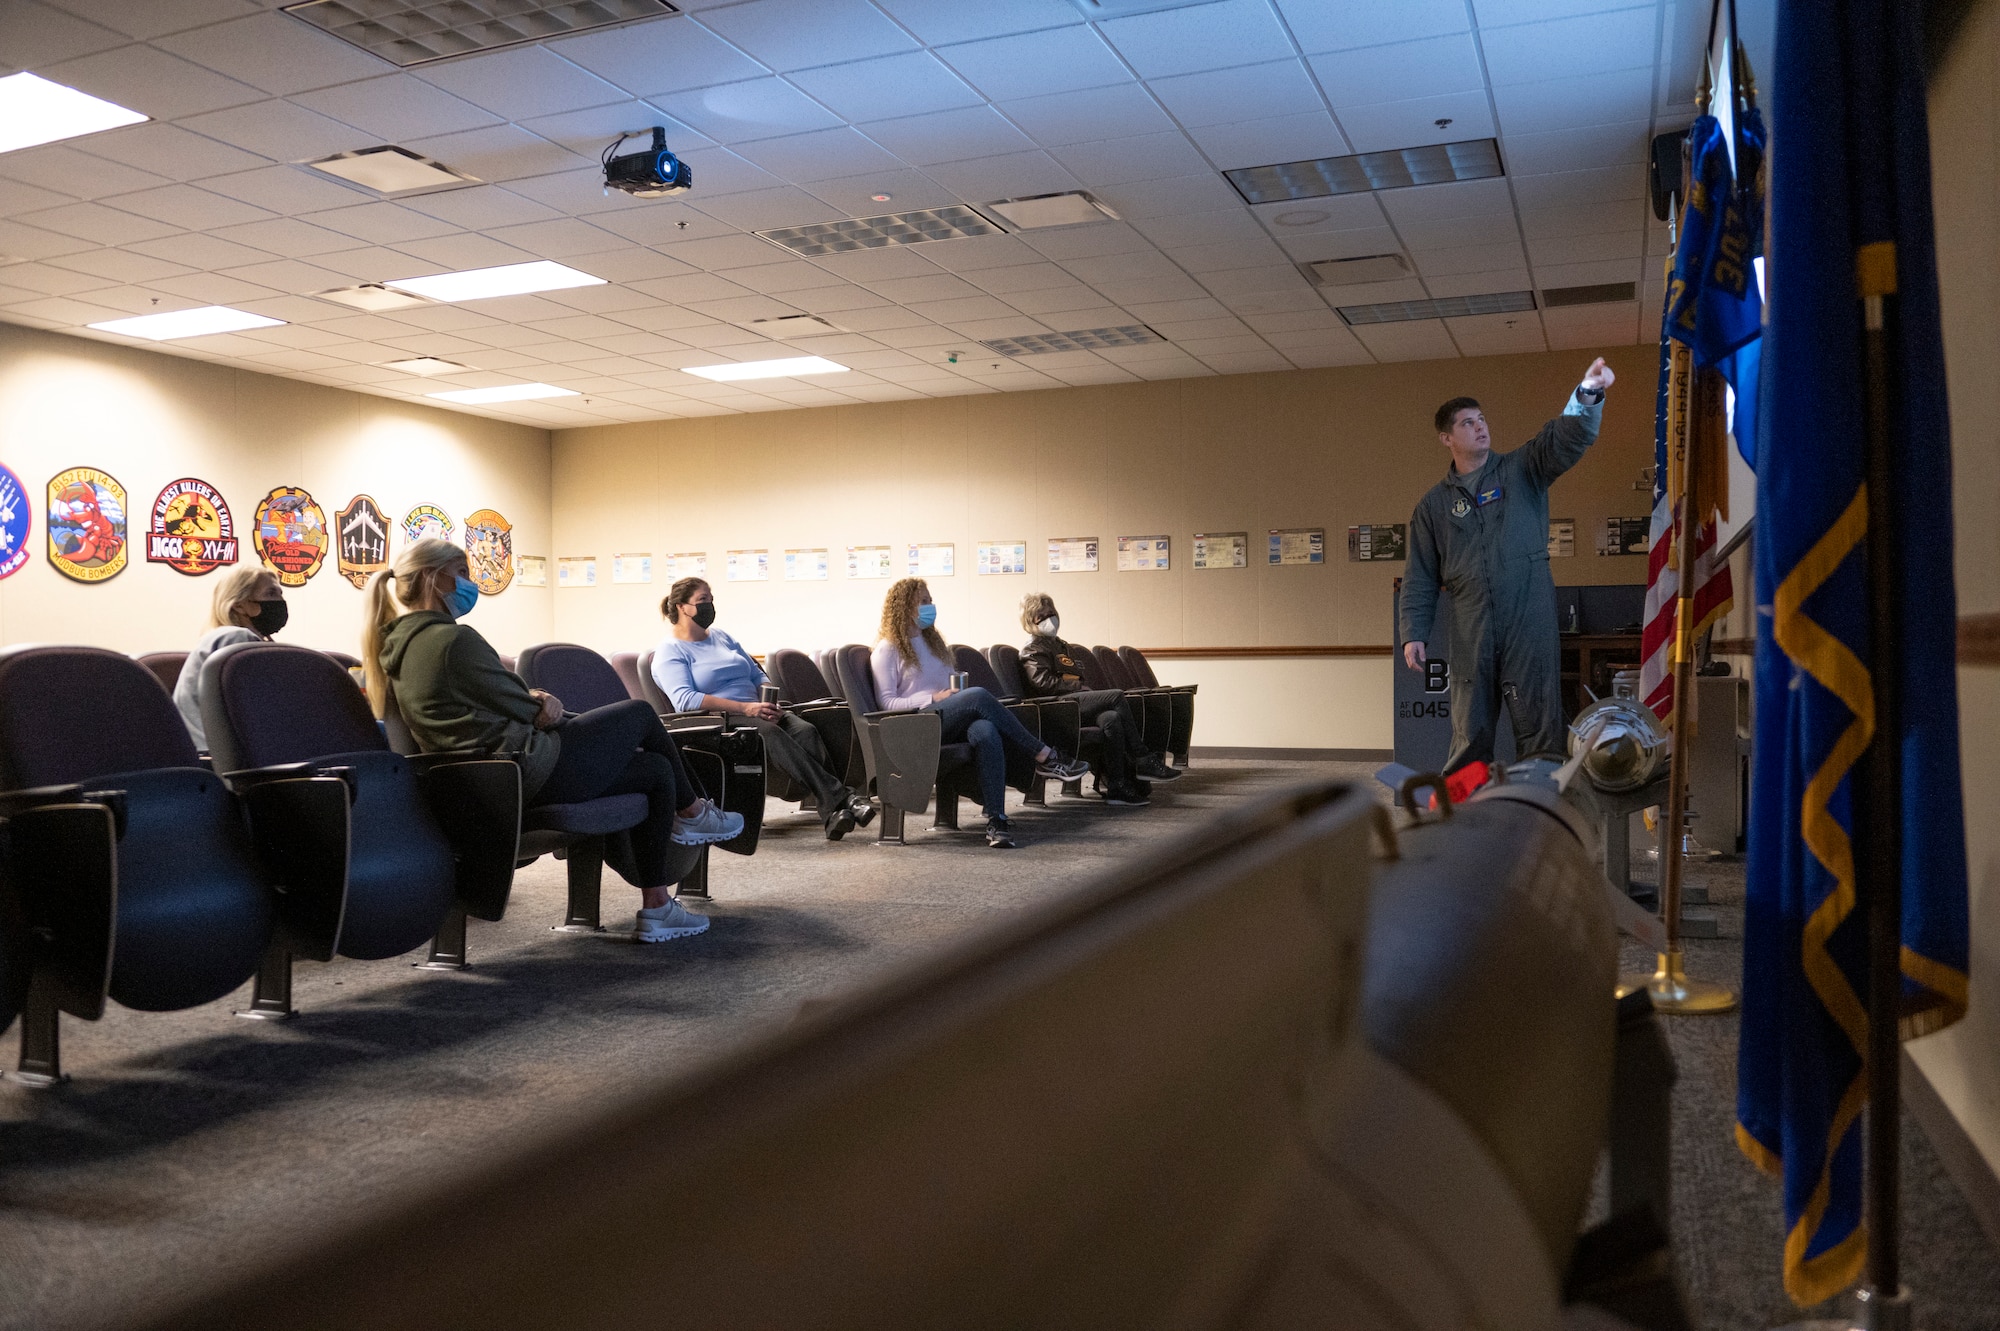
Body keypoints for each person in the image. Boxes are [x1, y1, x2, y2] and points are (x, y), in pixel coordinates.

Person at [361, 538, 740, 944]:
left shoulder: (397, 647)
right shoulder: (453, 640)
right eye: (463, 574)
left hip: (486, 778)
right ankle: (694, 810)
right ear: (433, 579)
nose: (470, 584)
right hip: (526, 769)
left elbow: (491, 701)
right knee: (640, 714)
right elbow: (529, 708)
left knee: (654, 769)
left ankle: (658, 907)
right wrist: (539, 700)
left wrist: (530, 701)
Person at [1399, 357, 1617, 774]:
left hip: (1527, 612)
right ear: (1447, 438)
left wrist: (1588, 394)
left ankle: (1540, 810)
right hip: (1469, 624)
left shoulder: (1522, 469)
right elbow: (1420, 576)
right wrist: (1414, 633)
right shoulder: (1433, 506)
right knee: (1470, 730)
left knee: (1539, 725)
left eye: (1481, 419)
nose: (1480, 426)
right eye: (1467, 422)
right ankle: (1463, 816)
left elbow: (1564, 440)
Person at [870, 578, 1089, 848]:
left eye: (930, 600)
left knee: (986, 731)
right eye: (923, 602)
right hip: (918, 723)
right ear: (904, 607)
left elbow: (947, 686)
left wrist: (950, 694)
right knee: (978, 696)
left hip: (947, 717)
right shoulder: (887, 649)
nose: (930, 606)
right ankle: (1044, 755)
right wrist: (932, 697)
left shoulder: (933, 645)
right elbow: (887, 703)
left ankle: (996, 819)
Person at [651, 577, 875, 840]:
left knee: (806, 731)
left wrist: (770, 701)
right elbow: (685, 699)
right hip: (721, 720)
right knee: (768, 733)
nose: (709, 605)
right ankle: (843, 800)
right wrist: (745, 708)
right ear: (681, 607)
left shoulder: (722, 637)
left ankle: (833, 812)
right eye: (702, 601)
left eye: (711, 599)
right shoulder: (670, 650)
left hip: (755, 710)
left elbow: (757, 674)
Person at [1016, 592, 1179, 806]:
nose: (1050, 619)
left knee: (1111, 718)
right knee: (1116, 696)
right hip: (1057, 707)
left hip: (1075, 700)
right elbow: (1042, 682)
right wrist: (1077, 686)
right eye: (1042, 616)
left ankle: (1117, 786)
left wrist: (1080, 687)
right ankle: (1142, 758)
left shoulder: (1062, 646)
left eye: (1052, 613)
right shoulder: (1032, 649)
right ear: (1030, 621)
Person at [174, 564, 288, 751]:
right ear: (239, 604)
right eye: (270, 594)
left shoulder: (226, 636)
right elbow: (262, 712)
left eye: (280, 594)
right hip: (222, 761)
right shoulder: (235, 638)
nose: (280, 601)